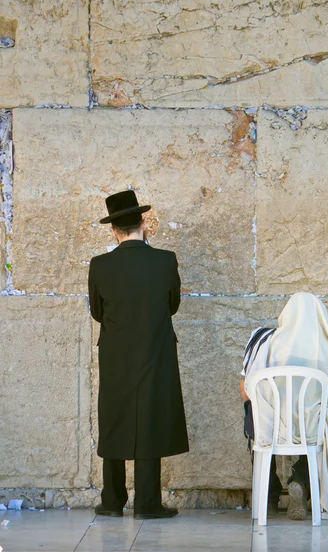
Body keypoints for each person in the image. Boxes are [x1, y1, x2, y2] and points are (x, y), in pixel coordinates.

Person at [88, 190, 189, 520]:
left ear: (113, 230)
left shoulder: (100, 265)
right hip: (155, 350)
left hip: (116, 354)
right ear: (143, 223)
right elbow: (172, 305)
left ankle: (112, 501)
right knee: (150, 418)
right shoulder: (165, 260)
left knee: (114, 419)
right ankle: (147, 503)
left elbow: (98, 312)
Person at [240, 292, 328, 519]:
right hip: (313, 430)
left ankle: (269, 496)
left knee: (255, 413)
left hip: (272, 431)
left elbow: (245, 391)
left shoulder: (265, 342)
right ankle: (301, 479)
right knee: (325, 423)